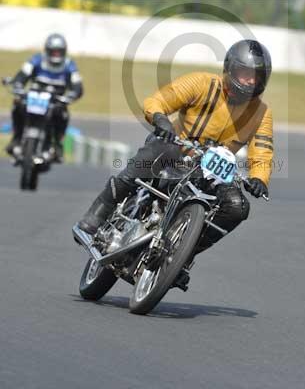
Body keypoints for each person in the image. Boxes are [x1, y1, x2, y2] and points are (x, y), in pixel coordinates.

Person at [78, 39, 273, 290]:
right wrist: (161, 121)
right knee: (159, 149)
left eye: (256, 77)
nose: (250, 82)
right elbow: (160, 99)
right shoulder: (202, 83)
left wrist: (259, 179)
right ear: (230, 69)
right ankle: (98, 212)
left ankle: (181, 255)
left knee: (237, 207)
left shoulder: (261, 112)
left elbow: (263, 150)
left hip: (210, 171)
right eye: (245, 74)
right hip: (176, 151)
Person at [6, 33, 84, 160]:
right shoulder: (36, 60)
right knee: (17, 104)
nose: (56, 55)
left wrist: (72, 94)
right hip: (33, 97)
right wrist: (17, 85)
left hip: (55, 102)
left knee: (63, 114)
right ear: (47, 50)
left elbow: (77, 85)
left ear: (64, 52)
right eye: (53, 52)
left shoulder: (69, 65)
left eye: (59, 52)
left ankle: (57, 144)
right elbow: (21, 76)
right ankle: (16, 138)